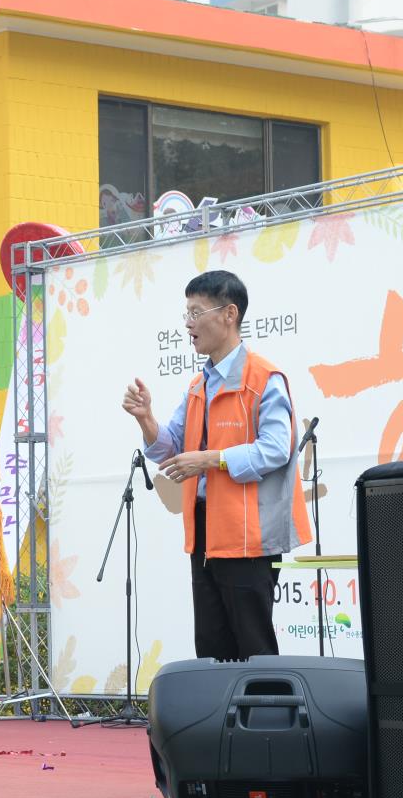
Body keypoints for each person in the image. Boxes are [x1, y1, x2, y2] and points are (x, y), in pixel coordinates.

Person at [121, 270, 311, 660]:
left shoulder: (264, 378)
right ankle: (221, 722)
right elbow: (168, 446)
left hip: (248, 535)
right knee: (211, 646)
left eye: (196, 312)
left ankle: (264, 720)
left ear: (229, 314)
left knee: (252, 645)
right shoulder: (197, 386)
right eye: (185, 314)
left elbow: (277, 447)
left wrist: (210, 460)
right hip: (205, 531)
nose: (188, 325)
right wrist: (145, 418)